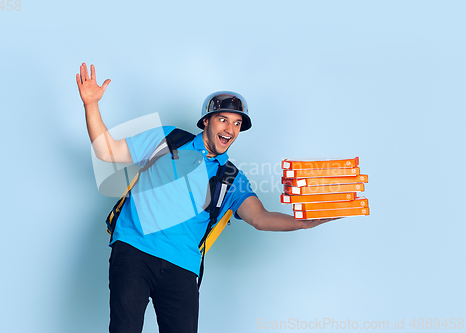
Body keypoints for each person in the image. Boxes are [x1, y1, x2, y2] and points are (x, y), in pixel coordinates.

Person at [76, 62, 338, 333]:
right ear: (205, 121)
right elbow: (108, 152)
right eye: (223, 119)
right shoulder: (169, 138)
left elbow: (260, 218)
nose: (230, 129)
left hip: (183, 266)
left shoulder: (231, 177)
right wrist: (91, 105)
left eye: (237, 123)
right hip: (134, 250)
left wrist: (303, 223)